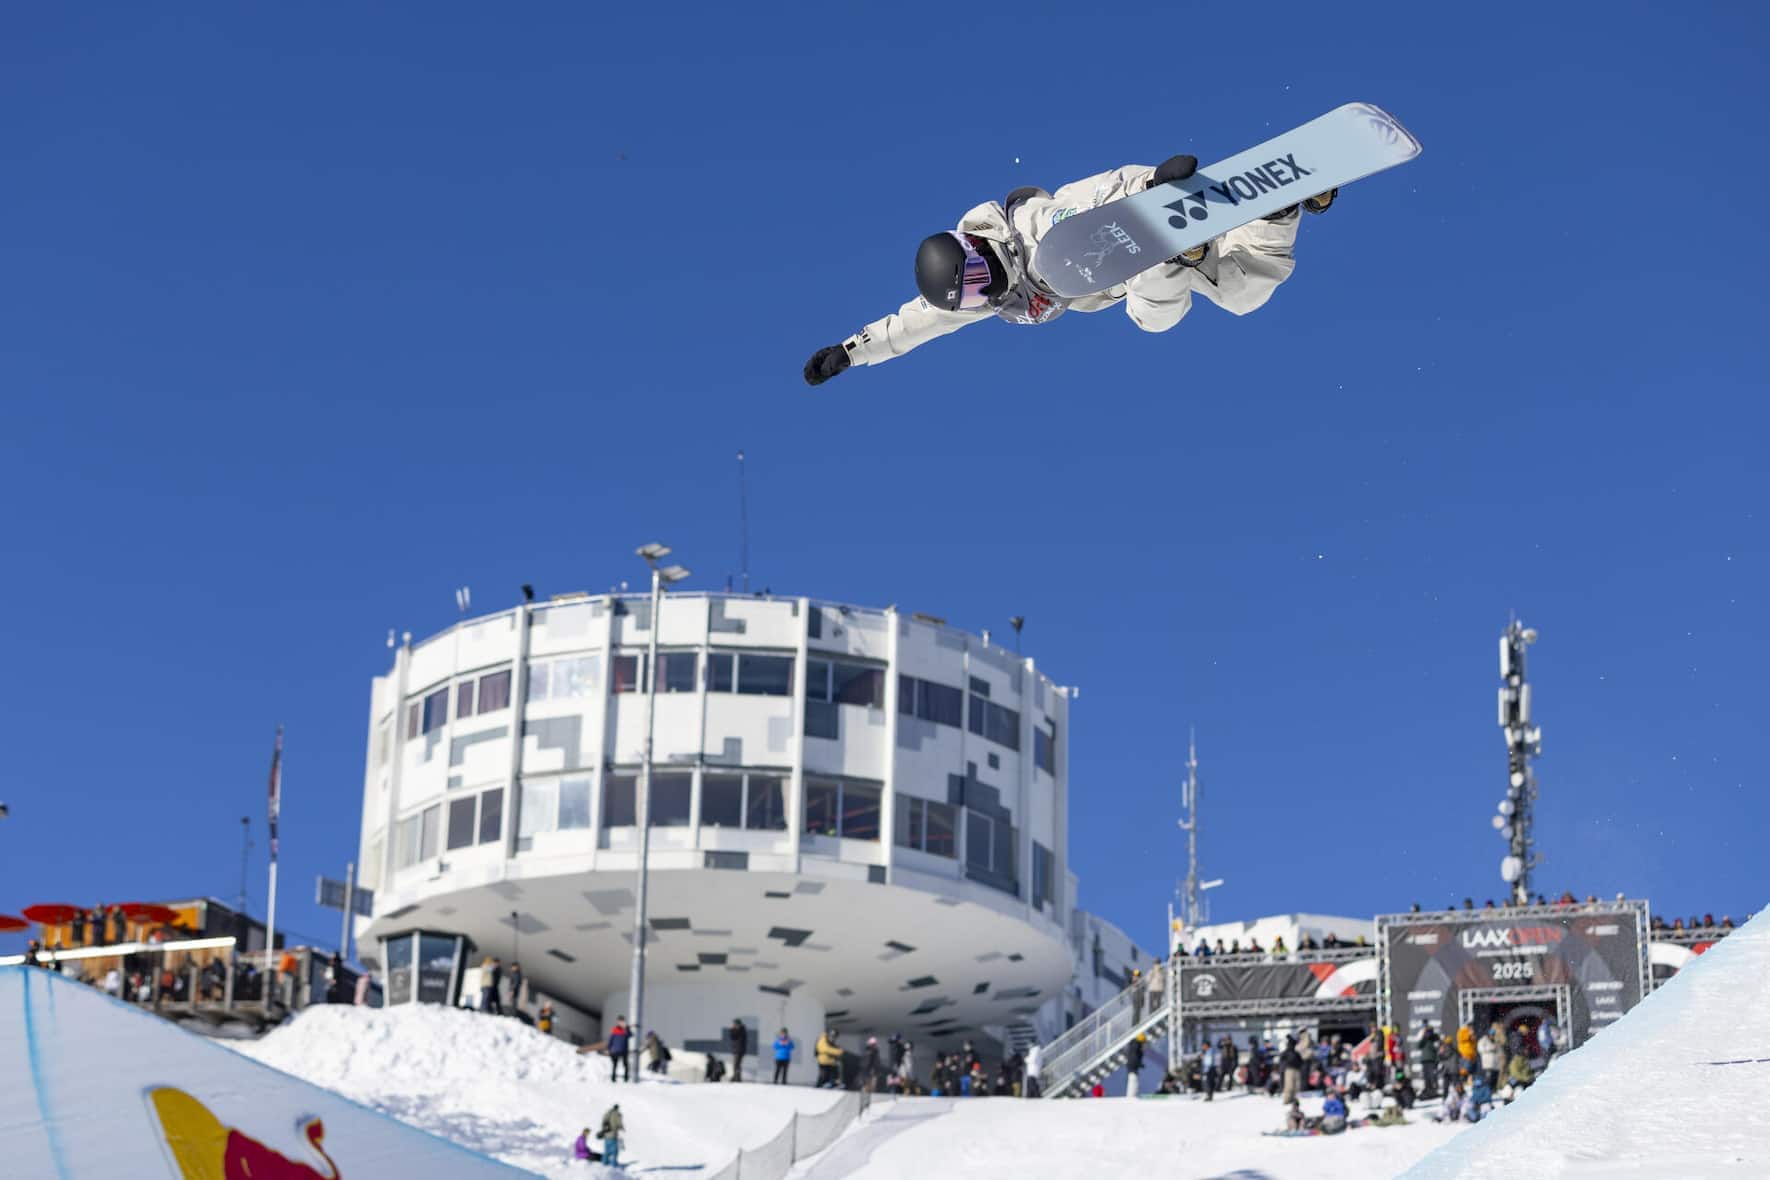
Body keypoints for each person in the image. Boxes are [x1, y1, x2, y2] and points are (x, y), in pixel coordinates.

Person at [802, 154, 1332, 387]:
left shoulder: (1033, 227)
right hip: (1153, 266)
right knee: (1241, 296)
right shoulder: (990, 299)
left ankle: (1172, 252)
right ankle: (1276, 214)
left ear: (978, 247)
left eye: (980, 280)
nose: (985, 296)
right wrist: (851, 351)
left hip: (1139, 241)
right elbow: (915, 324)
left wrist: (1151, 188)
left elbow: (1097, 194)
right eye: (973, 298)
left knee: (1153, 321)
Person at [1416, 1023, 1440, 1100]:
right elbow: (1418, 1046)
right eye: (1427, 1031)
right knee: (1426, 1077)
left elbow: (1437, 1047)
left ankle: (1433, 1091)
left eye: (1430, 1031)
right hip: (1425, 1060)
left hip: (1432, 1059)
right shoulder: (1424, 1038)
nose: (1429, 1033)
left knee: (1432, 1076)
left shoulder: (1435, 1037)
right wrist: (1424, 1037)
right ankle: (1428, 1091)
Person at [597, 1104, 623, 1169]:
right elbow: (619, 1124)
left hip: (606, 1136)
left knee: (606, 1151)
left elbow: (603, 1122)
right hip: (613, 1136)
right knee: (615, 1151)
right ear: (617, 1108)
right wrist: (621, 1127)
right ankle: (614, 1166)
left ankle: (604, 1164)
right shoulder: (617, 1114)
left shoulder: (608, 1112)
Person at [606, 1016, 631, 1082]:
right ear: (618, 1022)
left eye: (622, 1021)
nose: (621, 1022)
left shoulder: (626, 1029)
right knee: (615, 1064)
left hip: (623, 1050)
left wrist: (626, 1028)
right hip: (615, 1050)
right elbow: (611, 1039)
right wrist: (608, 1048)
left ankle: (626, 1078)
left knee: (625, 1064)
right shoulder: (615, 1029)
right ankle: (613, 1078)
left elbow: (630, 1035)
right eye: (620, 1021)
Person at [1279, 1038, 1304, 1105]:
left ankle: (1295, 1100)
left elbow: (1301, 1061)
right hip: (1289, 1070)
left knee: (1297, 1087)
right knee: (1289, 1086)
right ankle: (1287, 1100)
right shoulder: (1285, 1053)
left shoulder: (1296, 1053)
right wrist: (1284, 1068)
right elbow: (1281, 1061)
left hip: (1297, 1070)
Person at [728, 1017, 748, 1082]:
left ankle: (736, 1078)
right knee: (736, 1064)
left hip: (739, 1050)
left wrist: (733, 1030)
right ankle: (736, 1077)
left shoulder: (741, 1030)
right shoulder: (738, 1029)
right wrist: (732, 1030)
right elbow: (732, 1037)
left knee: (736, 1064)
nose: (733, 1025)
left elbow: (735, 1037)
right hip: (736, 1049)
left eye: (735, 1024)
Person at [1126, 1034, 1146, 1098]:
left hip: (1132, 1067)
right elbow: (1134, 1058)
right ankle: (1131, 1096)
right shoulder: (1136, 1047)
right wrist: (1139, 1064)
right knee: (1133, 1081)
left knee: (1133, 1081)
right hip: (1133, 1067)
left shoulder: (1134, 1046)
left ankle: (1132, 1095)